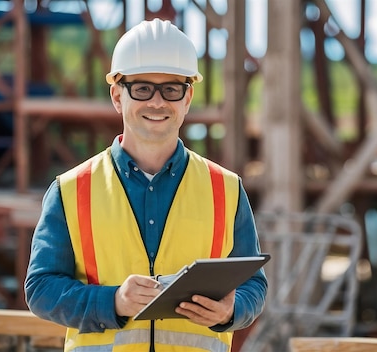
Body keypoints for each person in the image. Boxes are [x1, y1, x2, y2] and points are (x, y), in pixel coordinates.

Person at [24, 18, 268, 352]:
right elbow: (41, 289)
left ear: (187, 98)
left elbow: (254, 285)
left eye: (171, 89)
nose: (157, 102)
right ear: (116, 95)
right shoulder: (70, 190)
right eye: (142, 89)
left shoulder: (225, 189)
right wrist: (113, 302)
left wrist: (232, 310)